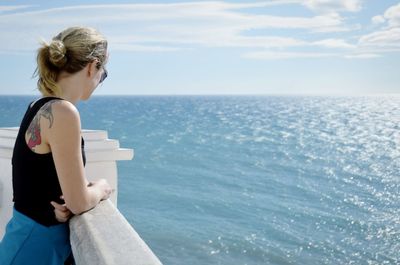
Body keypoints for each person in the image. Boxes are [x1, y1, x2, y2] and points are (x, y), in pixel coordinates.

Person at [0, 26, 112, 264]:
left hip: (27, 240)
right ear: (92, 66)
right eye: (104, 72)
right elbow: (79, 202)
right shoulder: (63, 112)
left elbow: (49, 182)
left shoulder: (39, 106)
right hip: (36, 249)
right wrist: (102, 187)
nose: (101, 79)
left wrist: (72, 199)